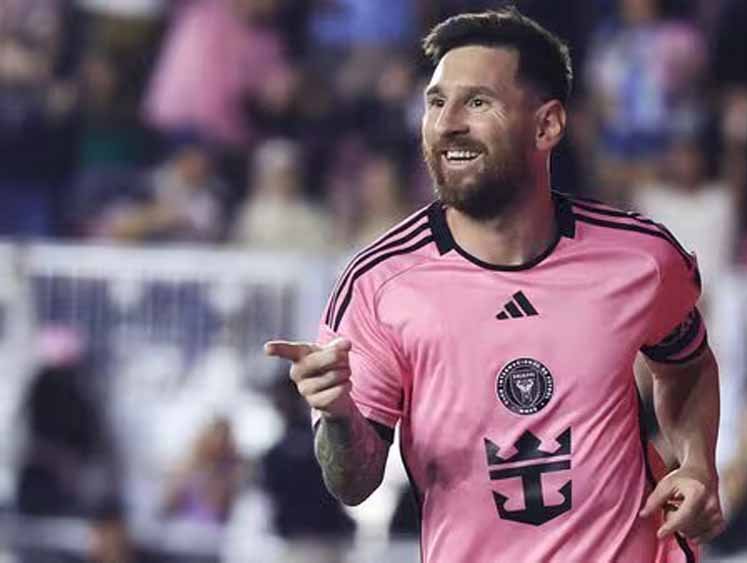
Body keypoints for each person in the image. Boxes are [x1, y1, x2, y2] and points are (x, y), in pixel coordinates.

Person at [266, 8, 723, 562]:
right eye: (436, 103)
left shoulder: (641, 259)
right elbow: (353, 483)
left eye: (477, 102)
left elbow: (687, 365)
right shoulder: (379, 285)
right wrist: (338, 416)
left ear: (547, 125)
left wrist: (697, 462)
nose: (447, 123)